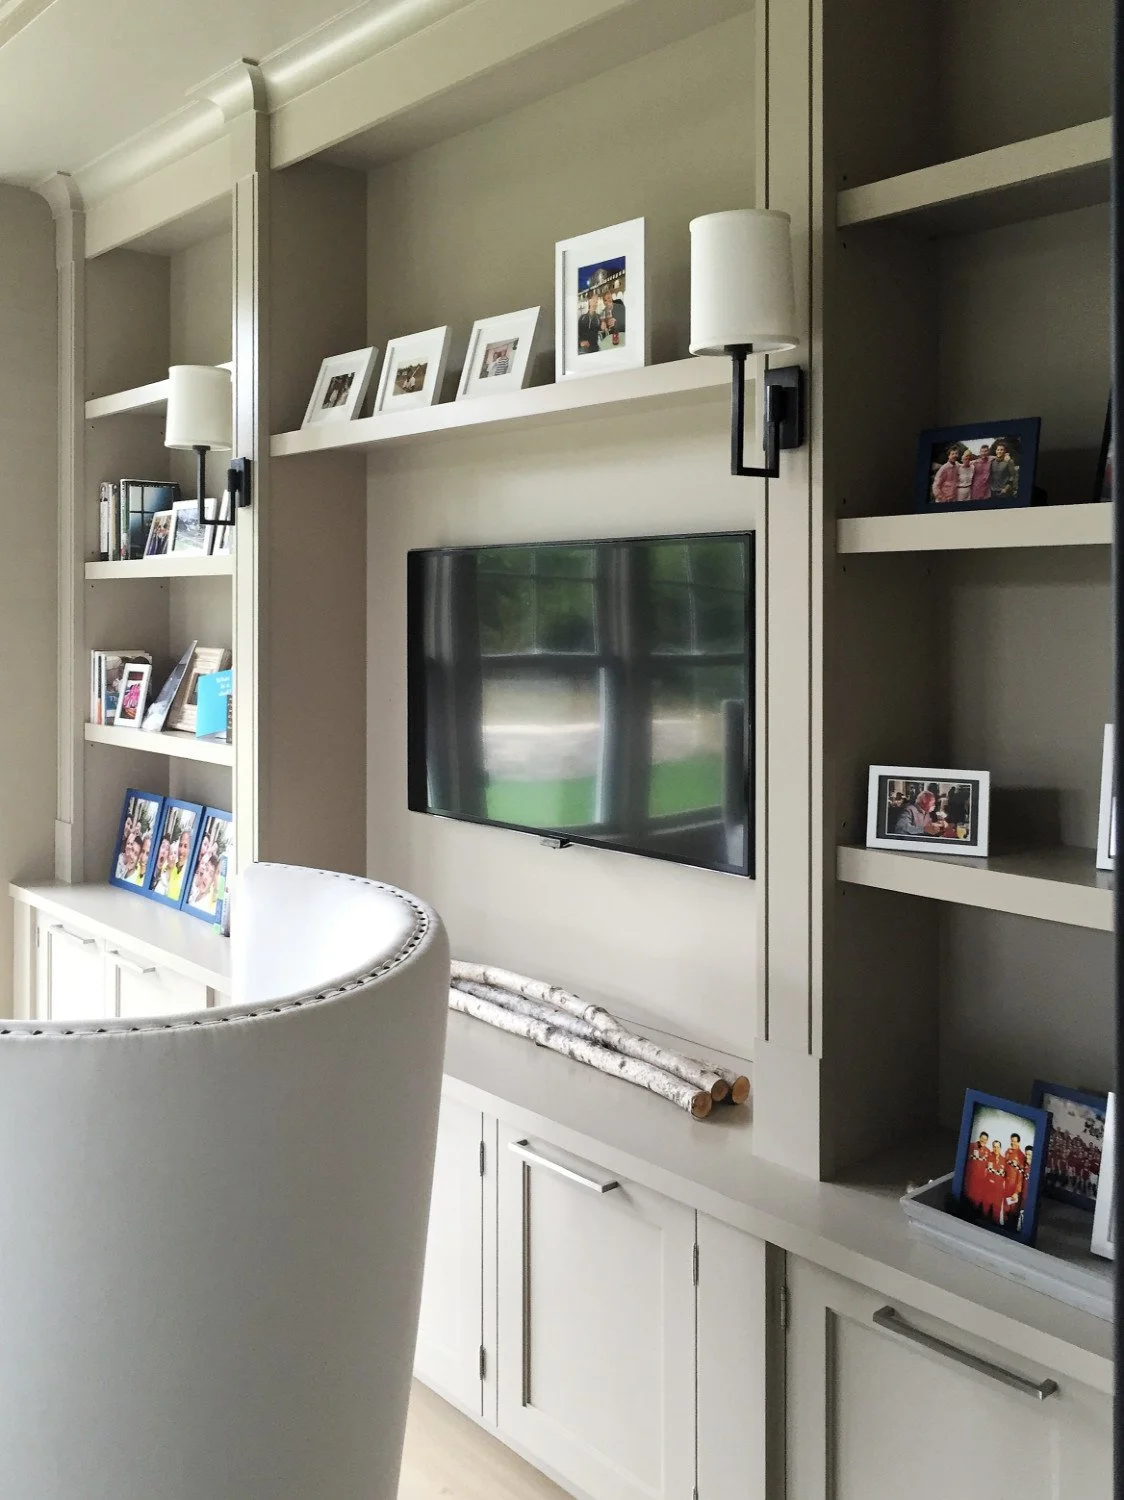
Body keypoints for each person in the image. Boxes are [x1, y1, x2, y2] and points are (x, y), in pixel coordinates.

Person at [1002, 1132, 1028, 1229]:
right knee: (1005, 1210)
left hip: (1014, 1188)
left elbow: (1021, 1177)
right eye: (1011, 1141)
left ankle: (1010, 1230)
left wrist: (1016, 1192)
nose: (1013, 1143)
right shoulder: (1008, 1152)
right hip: (1006, 1186)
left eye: (1015, 1141)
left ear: (1019, 1142)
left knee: (1013, 1212)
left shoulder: (1021, 1156)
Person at [963, 1129, 991, 1211]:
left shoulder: (988, 1151)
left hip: (980, 1181)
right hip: (970, 1178)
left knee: (977, 1200)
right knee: (967, 1197)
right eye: (982, 1138)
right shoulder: (972, 1146)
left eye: (985, 1139)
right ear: (979, 1138)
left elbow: (988, 1167)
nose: (983, 1141)